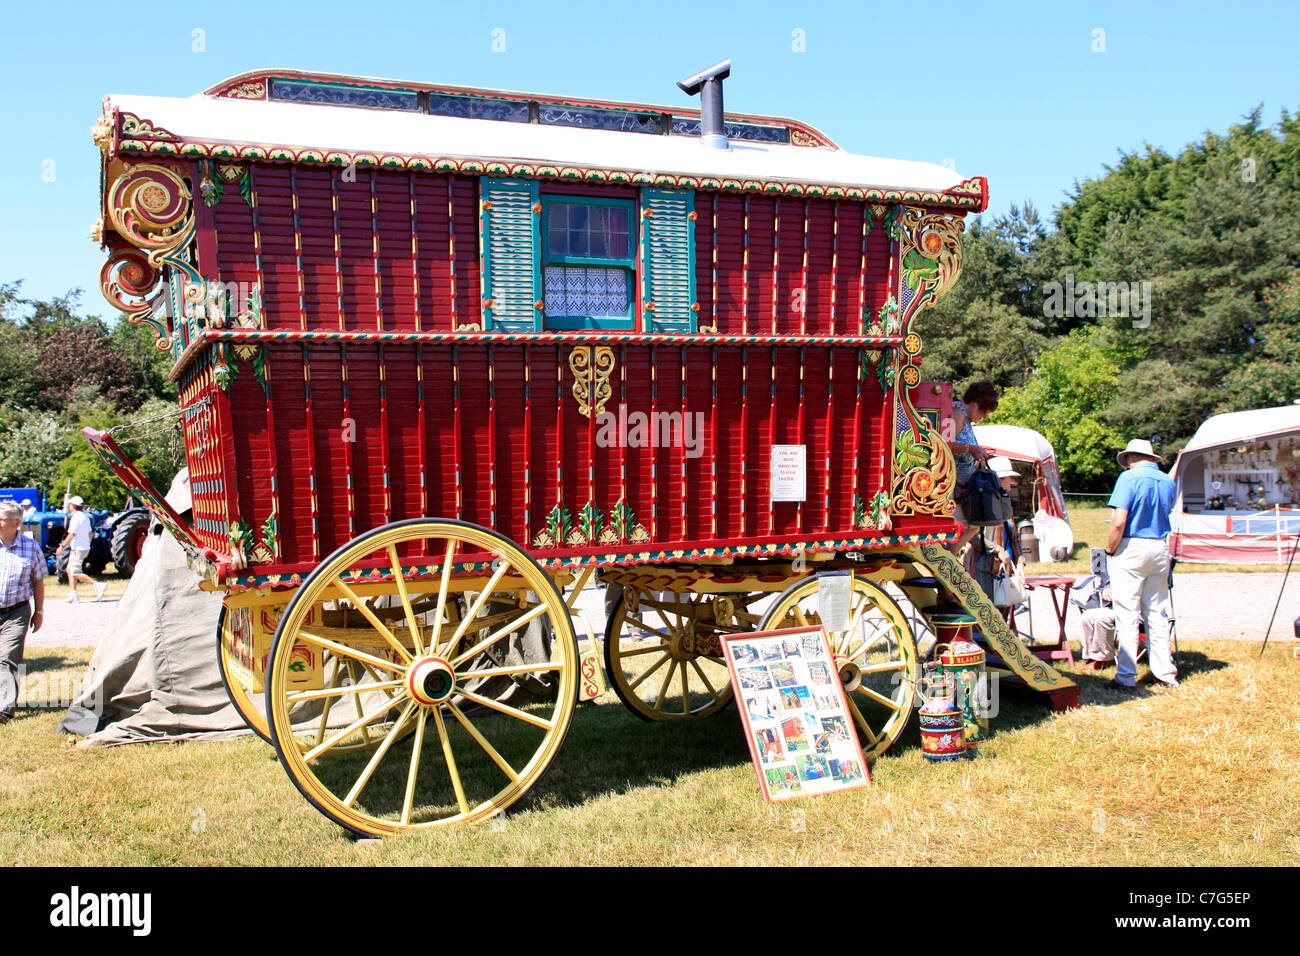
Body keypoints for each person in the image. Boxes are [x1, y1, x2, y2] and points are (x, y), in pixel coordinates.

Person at [1103, 439, 1177, 690]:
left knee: (1127, 613)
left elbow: (1118, 521)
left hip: (1132, 544)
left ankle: (1125, 675)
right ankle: (1165, 671)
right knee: (1157, 611)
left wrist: (1110, 550)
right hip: (1159, 544)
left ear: (1131, 457)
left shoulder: (1128, 479)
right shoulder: (1168, 480)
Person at [0, 500, 45, 724]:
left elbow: (38, 581)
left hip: (16, 612)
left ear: (16, 523)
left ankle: (4, 708)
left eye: (2, 519)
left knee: (7, 658)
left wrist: (39, 611)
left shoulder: (30, 547)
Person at [947, 380, 999, 555]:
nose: (983, 417)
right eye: (983, 412)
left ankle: (950, 555)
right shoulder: (956, 413)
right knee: (973, 521)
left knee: (976, 522)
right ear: (976, 403)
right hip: (956, 481)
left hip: (964, 480)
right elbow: (944, 444)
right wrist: (971, 449)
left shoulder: (965, 418)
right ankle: (949, 556)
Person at [965, 456, 1023, 608]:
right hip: (985, 566)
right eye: (1009, 477)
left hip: (1004, 568)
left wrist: (1020, 561)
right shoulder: (984, 505)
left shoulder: (1003, 502)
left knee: (1003, 607)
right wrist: (997, 549)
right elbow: (973, 535)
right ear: (1000, 479)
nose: (1012, 481)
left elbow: (1014, 537)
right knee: (989, 609)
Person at [55, 496, 106, 603]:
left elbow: (72, 534)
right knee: (69, 570)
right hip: (83, 547)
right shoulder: (85, 517)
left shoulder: (76, 517)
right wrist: (87, 546)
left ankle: (97, 585)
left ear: (72, 506)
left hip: (78, 549)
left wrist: (62, 547)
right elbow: (90, 534)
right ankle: (73, 594)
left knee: (74, 572)